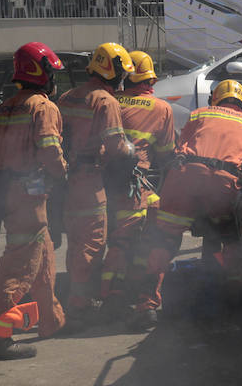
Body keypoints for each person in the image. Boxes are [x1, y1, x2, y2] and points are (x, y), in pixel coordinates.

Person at [130, 79, 242, 329]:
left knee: (163, 240)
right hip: (223, 185)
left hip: (185, 179)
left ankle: (147, 306)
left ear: (215, 99)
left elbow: (180, 147)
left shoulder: (200, 113)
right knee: (230, 239)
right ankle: (234, 300)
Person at [0, 42, 68, 361]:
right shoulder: (43, 107)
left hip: (5, 191)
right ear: (42, 75)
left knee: (42, 256)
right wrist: (63, 175)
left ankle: (51, 322)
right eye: (52, 72)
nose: (55, 79)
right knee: (18, 265)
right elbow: (49, 150)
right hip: (28, 194)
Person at [56, 42, 136, 327]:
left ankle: (74, 299)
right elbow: (115, 147)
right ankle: (80, 306)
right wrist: (132, 152)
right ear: (112, 70)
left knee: (75, 243)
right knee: (91, 245)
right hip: (90, 182)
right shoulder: (106, 101)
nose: (123, 78)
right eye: (122, 72)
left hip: (66, 181)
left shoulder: (67, 96)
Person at [108, 51, 175, 315]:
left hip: (100, 184)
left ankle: (111, 292)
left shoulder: (110, 101)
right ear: (150, 80)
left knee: (118, 240)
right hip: (136, 185)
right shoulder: (161, 108)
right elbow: (167, 154)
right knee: (156, 233)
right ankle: (144, 297)